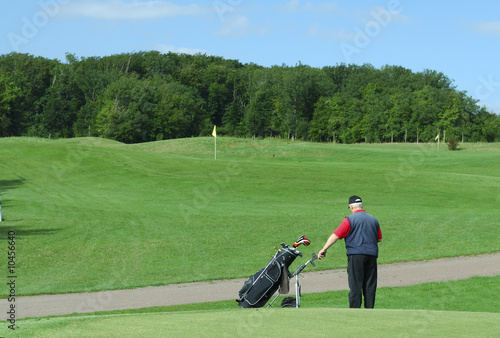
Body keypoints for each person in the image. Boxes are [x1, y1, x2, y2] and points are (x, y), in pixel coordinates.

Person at [318, 195, 382, 308]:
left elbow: (336, 235)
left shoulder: (350, 220)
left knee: (356, 285)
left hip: (356, 255)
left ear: (351, 207)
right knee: (370, 285)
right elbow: (379, 239)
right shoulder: (373, 219)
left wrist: (324, 249)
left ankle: (355, 311)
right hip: (372, 255)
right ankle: (370, 311)